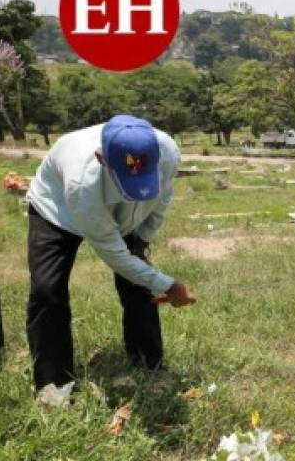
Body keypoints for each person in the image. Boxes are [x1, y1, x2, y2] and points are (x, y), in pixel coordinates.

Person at [26, 114, 196, 391]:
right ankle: (53, 385)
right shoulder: (82, 181)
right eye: (129, 179)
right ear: (101, 158)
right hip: (57, 210)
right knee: (47, 290)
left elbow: (162, 199)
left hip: (120, 214)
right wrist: (169, 285)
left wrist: (142, 239)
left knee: (138, 283)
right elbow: (113, 252)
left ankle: (149, 367)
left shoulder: (167, 152)